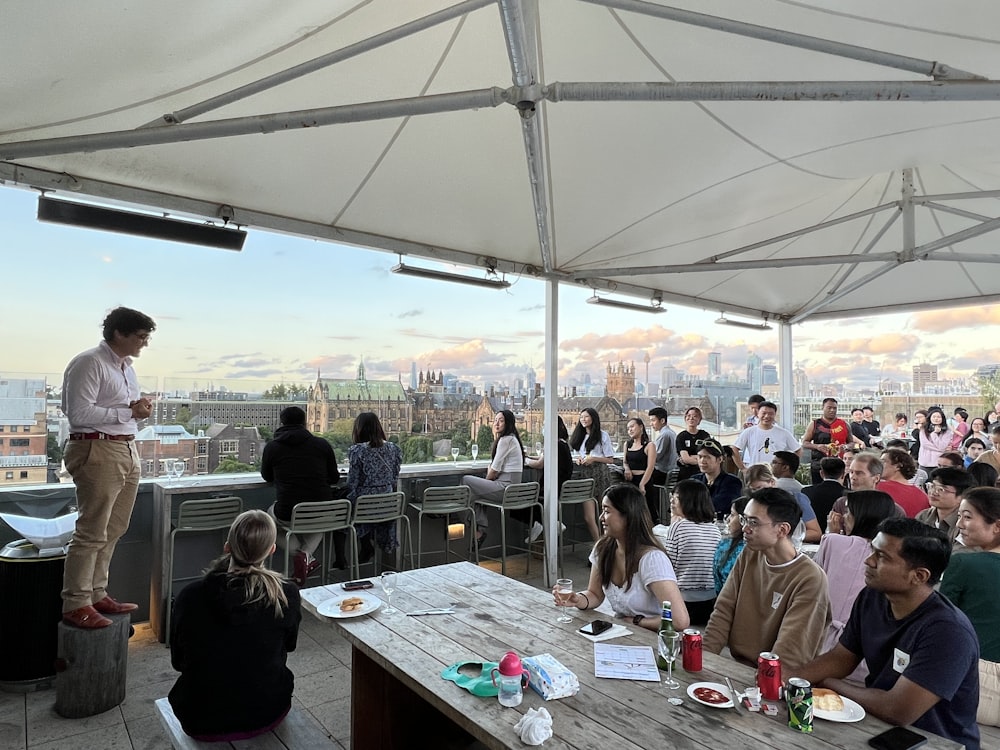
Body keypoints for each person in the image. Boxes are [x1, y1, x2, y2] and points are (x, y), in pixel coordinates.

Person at [796, 518, 980, 750]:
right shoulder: (872, 597)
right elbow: (841, 658)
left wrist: (831, 684)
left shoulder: (949, 632)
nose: (868, 560)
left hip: (932, 741)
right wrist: (793, 679)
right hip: (877, 728)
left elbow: (899, 710)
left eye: (881, 556)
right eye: (873, 550)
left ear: (919, 576)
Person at [60, 306, 155, 628]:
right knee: (91, 530)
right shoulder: (89, 362)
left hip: (125, 448)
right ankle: (75, 602)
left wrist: (136, 408)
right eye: (141, 337)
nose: (144, 343)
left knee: (115, 527)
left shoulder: (126, 368)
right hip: (96, 448)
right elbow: (78, 413)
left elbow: (117, 407)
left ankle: (96, 593)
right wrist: (128, 414)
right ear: (119, 333)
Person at [168, 510, 301, 741]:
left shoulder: (190, 596)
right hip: (267, 711)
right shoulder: (285, 594)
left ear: (227, 546)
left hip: (199, 718)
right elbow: (289, 646)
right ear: (271, 549)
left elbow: (179, 662)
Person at [703, 487, 830, 673]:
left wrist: (764, 683)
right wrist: (703, 658)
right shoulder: (750, 554)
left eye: (753, 522)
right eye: (744, 519)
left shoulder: (810, 578)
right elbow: (723, 610)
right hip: (737, 664)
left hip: (774, 677)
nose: (745, 528)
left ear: (782, 529)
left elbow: (791, 652)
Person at [558, 483, 690, 632]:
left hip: (654, 637)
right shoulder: (603, 548)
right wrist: (577, 599)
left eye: (606, 511)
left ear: (628, 515)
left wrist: (638, 621)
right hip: (621, 632)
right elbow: (595, 594)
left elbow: (680, 620)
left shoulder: (652, 559)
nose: (601, 517)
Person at [814, 490, 897, 671]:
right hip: (864, 650)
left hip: (818, 641)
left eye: (849, 512)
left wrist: (833, 533)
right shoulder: (892, 558)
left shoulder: (833, 542)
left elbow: (813, 583)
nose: (844, 517)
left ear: (861, 516)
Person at [261, 405, 342, 585]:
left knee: (268, 521)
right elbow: (334, 477)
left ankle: (302, 556)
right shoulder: (322, 444)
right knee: (320, 523)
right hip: (322, 509)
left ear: (282, 423)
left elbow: (267, 477)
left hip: (290, 511)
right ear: (305, 422)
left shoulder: (272, 447)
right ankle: (305, 557)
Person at [939, 487, 1000, 727]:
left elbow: (943, 625)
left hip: (971, 681)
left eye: (967, 516)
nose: (960, 524)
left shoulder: (964, 563)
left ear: (996, 525)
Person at [662, 480, 721, 624]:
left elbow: (668, 567)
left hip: (683, 603)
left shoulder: (678, 527)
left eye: (675, 497)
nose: (671, 501)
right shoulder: (715, 529)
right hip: (709, 602)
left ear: (688, 501)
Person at [465, 409, 525, 546]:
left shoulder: (506, 440)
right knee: (477, 494)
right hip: (512, 489)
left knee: (466, 480)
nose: (497, 423)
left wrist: (486, 480)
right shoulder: (513, 439)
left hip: (505, 489)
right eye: (495, 420)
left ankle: (461, 519)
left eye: (501, 420)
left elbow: (493, 472)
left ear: (508, 423)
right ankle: (479, 531)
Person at [348, 412, 403, 556]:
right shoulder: (394, 448)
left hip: (365, 507)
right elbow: (394, 477)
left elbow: (352, 482)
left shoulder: (357, 450)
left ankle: (354, 550)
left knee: (343, 507)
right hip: (388, 505)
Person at [523, 416, 575, 543]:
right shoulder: (563, 444)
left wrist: (526, 460)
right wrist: (529, 457)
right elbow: (543, 460)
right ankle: (545, 523)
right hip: (561, 487)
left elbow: (540, 464)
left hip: (550, 488)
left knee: (520, 502)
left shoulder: (554, 444)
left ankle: (544, 523)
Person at [568, 407, 614, 541]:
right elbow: (577, 454)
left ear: (593, 418)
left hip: (600, 473)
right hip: (585, 476)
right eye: (581, 417)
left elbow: (610, 459)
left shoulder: (602, 435)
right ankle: (599, 545)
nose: (583, 419)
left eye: (586, 417)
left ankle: (609, 543)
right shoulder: (578, 436)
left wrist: (593, 458)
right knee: (589, 517)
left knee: (604, 511)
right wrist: (579, 459)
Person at [744, 464, 822, 543]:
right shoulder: (750, 505)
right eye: (753, 490)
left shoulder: (796, 499)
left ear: (772, 482)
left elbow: (816, 533)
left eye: (760, 488)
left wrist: (788, 535)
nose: (758, 493)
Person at [731, 401, 800, 471]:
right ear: (758, 414)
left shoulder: (784, 433)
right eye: (764, 413)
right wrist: (743, 468)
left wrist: (790, 469)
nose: (767, 416)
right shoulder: (749, 432)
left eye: (770, 414)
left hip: (776, 474)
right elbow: (734, 449)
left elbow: (798, 450)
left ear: (775, 415)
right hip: (755, 473)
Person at [916, 466, 974, 545]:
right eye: (932, 486)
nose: (933, 492)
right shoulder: (923, 516)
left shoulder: (966, 523)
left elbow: (959, 554)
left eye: (941, 489)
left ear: (962, 496)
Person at [800, 398, 851, 484]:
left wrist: (845, 446)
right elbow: (804, 443)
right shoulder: (814, 424)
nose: (832, 410)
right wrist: (817, 446)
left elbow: (853, 444)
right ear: (823, 408)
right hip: (819, 465)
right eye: (829, 408)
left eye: (834, 408)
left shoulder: (844, 424)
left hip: (839, 465)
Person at [690, 438, 743, 519]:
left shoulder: (732, 482)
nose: (702, 461)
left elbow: (718, 506)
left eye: (707, 457)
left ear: (720, 459)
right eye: (700, 457)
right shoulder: (694, 480)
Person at [622, 416, 659, 524]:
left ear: (641, 427)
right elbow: (625, 462)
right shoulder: (627, 444)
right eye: (628, 428)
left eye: (632, 426)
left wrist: (642, 484)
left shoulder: (649, 445)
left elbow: (650, 467)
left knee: (647, 511)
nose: (630, 430)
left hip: (644, 480)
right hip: (630, 481)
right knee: (631, 512)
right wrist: (627, 469)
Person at [877, 448, 930, 518]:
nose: (878, 466)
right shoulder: (923, 496)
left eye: (882, 462)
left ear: (898, 466)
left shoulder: (877, 487)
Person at [712, 496, 749, 594]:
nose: (728, 519)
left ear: (744, 519)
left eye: (732, 515)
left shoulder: (725, 546)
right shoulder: (763, 548)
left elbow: (717, 584)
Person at [802, 457, 846, 533]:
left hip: (810, 538)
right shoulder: (850, 495)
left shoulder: (807, 491)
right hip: (839, 537)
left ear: (821, 473)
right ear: (843, 475)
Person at [674, 406, 711, 481]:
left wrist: (692, 457)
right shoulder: (682, 436)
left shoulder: (704, 435)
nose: (691, 418)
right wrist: (700, 459)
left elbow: (708, 456)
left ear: (699, 420)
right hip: (686, 474)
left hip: (702, 473)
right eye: (689, 416)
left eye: (695, 416)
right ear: (685, 418)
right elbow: (686, 459)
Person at [647, 406, 676, 494]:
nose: (651, 423)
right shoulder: (671, 432)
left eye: (653, 420)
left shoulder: (664, 435)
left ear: (662, 421)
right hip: (669, 471)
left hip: (663, 472)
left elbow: (656, 457)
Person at [918, 406, 954, 476]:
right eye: (934, 416)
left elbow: (942, 446)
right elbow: (925, 444)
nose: (936, 419)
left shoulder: (947, 431)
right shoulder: (923, 429)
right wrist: (940, 450)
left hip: (938, 463)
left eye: (938, 417)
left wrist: (934, 434)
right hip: (924, 462)